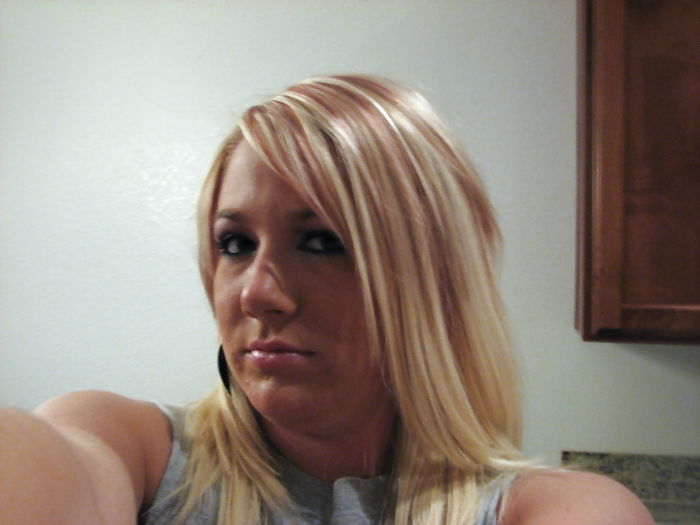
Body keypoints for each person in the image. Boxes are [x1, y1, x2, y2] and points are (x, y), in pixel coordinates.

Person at [1, 75, 653, 525]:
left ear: (435, 278)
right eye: (234, 243)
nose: (257, 292)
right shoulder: (133, 450)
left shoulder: (552, 508)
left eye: (322, 242)